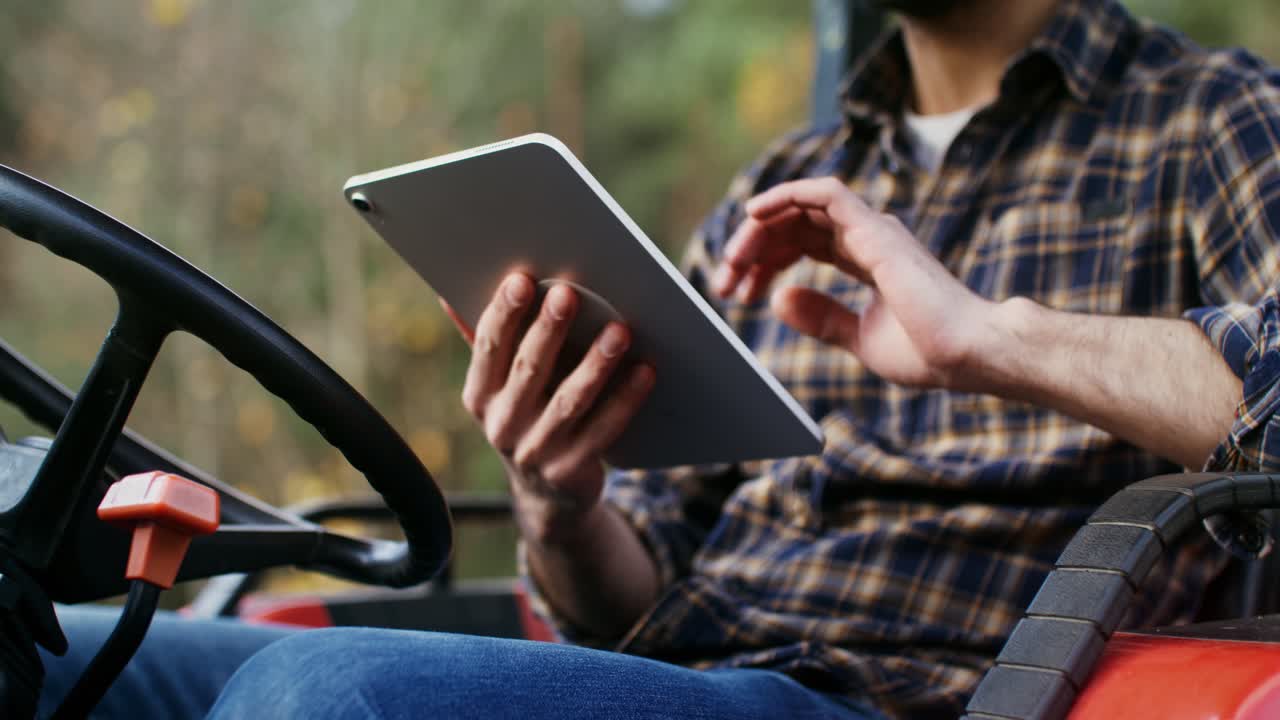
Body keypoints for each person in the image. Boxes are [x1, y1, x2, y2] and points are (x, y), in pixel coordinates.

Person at [38, 0, 1280, 717]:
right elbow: (617, 606)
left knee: (325, 701)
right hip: (678, 679)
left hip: (896, 698)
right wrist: (555, 494)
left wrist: (989, 340)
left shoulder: (1211, 119)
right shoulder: (776, 190)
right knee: (51, 654)